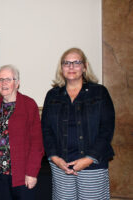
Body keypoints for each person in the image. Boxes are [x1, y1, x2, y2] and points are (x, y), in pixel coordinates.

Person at [41, 47, 115, 199]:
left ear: (85, 66)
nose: (71, 67)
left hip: (93, 164)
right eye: (67, 63)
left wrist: (88, 159)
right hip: (61, 166)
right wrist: (55, 158)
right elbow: (46, 130)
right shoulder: (53, 95)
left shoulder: (99, 92)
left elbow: (106, 129)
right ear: (61, 68)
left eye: (76, 62)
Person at [0, 65, 44, 200]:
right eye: (0, 80)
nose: (3, 83)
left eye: (8, 79)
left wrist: (32, 173)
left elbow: (37, 143)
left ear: (17, 83)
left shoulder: (29, 105)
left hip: (22, 175)